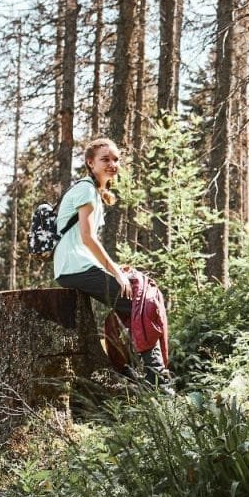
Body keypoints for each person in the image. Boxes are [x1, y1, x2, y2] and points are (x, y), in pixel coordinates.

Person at [53, 138, 167, 383]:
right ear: (90, 163)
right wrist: (113, 269)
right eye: (105, 159)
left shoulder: (92, 191)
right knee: (139, 304)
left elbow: (84, 240)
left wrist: (115, 268)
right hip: (74, 268)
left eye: (116, 159)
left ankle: (130, 369)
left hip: (77, 266)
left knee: (135, 298)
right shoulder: (85, 190)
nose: (112, 164)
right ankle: (158, 380)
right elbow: (87, 237)